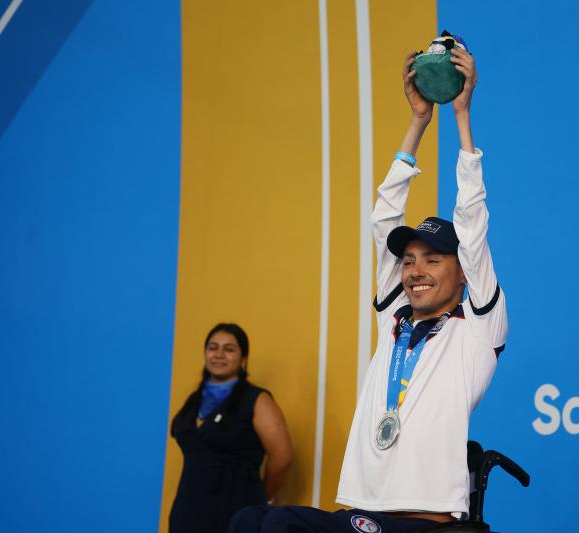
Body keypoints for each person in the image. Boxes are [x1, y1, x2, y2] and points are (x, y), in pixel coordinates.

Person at [230, 44, 506, 532]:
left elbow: (472, 220)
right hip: (364, 513)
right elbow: (385, 218)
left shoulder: (477, 332)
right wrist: (418, 121)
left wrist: (461, 117)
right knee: (247, 520)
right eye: (409, 261)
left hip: (423, 523)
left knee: (275, 528)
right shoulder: (394, 319)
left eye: (434, 260)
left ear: (463, 274)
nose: (416, 270)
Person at [169, 323, 294, 533]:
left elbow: (282, 458)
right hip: (187, 510)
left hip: (235, 510)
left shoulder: (256, 400)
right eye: (213, 347)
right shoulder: (194, 399)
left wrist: (262, 497)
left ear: (243, 359)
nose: (219, 354)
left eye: (229, 349)